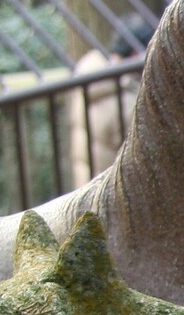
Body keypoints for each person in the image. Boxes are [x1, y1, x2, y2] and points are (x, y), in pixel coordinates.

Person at [65, 16, 156, 191]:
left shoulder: (92, 79)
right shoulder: (126, 102)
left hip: (86, 190)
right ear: (137, 54)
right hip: (113, 197)